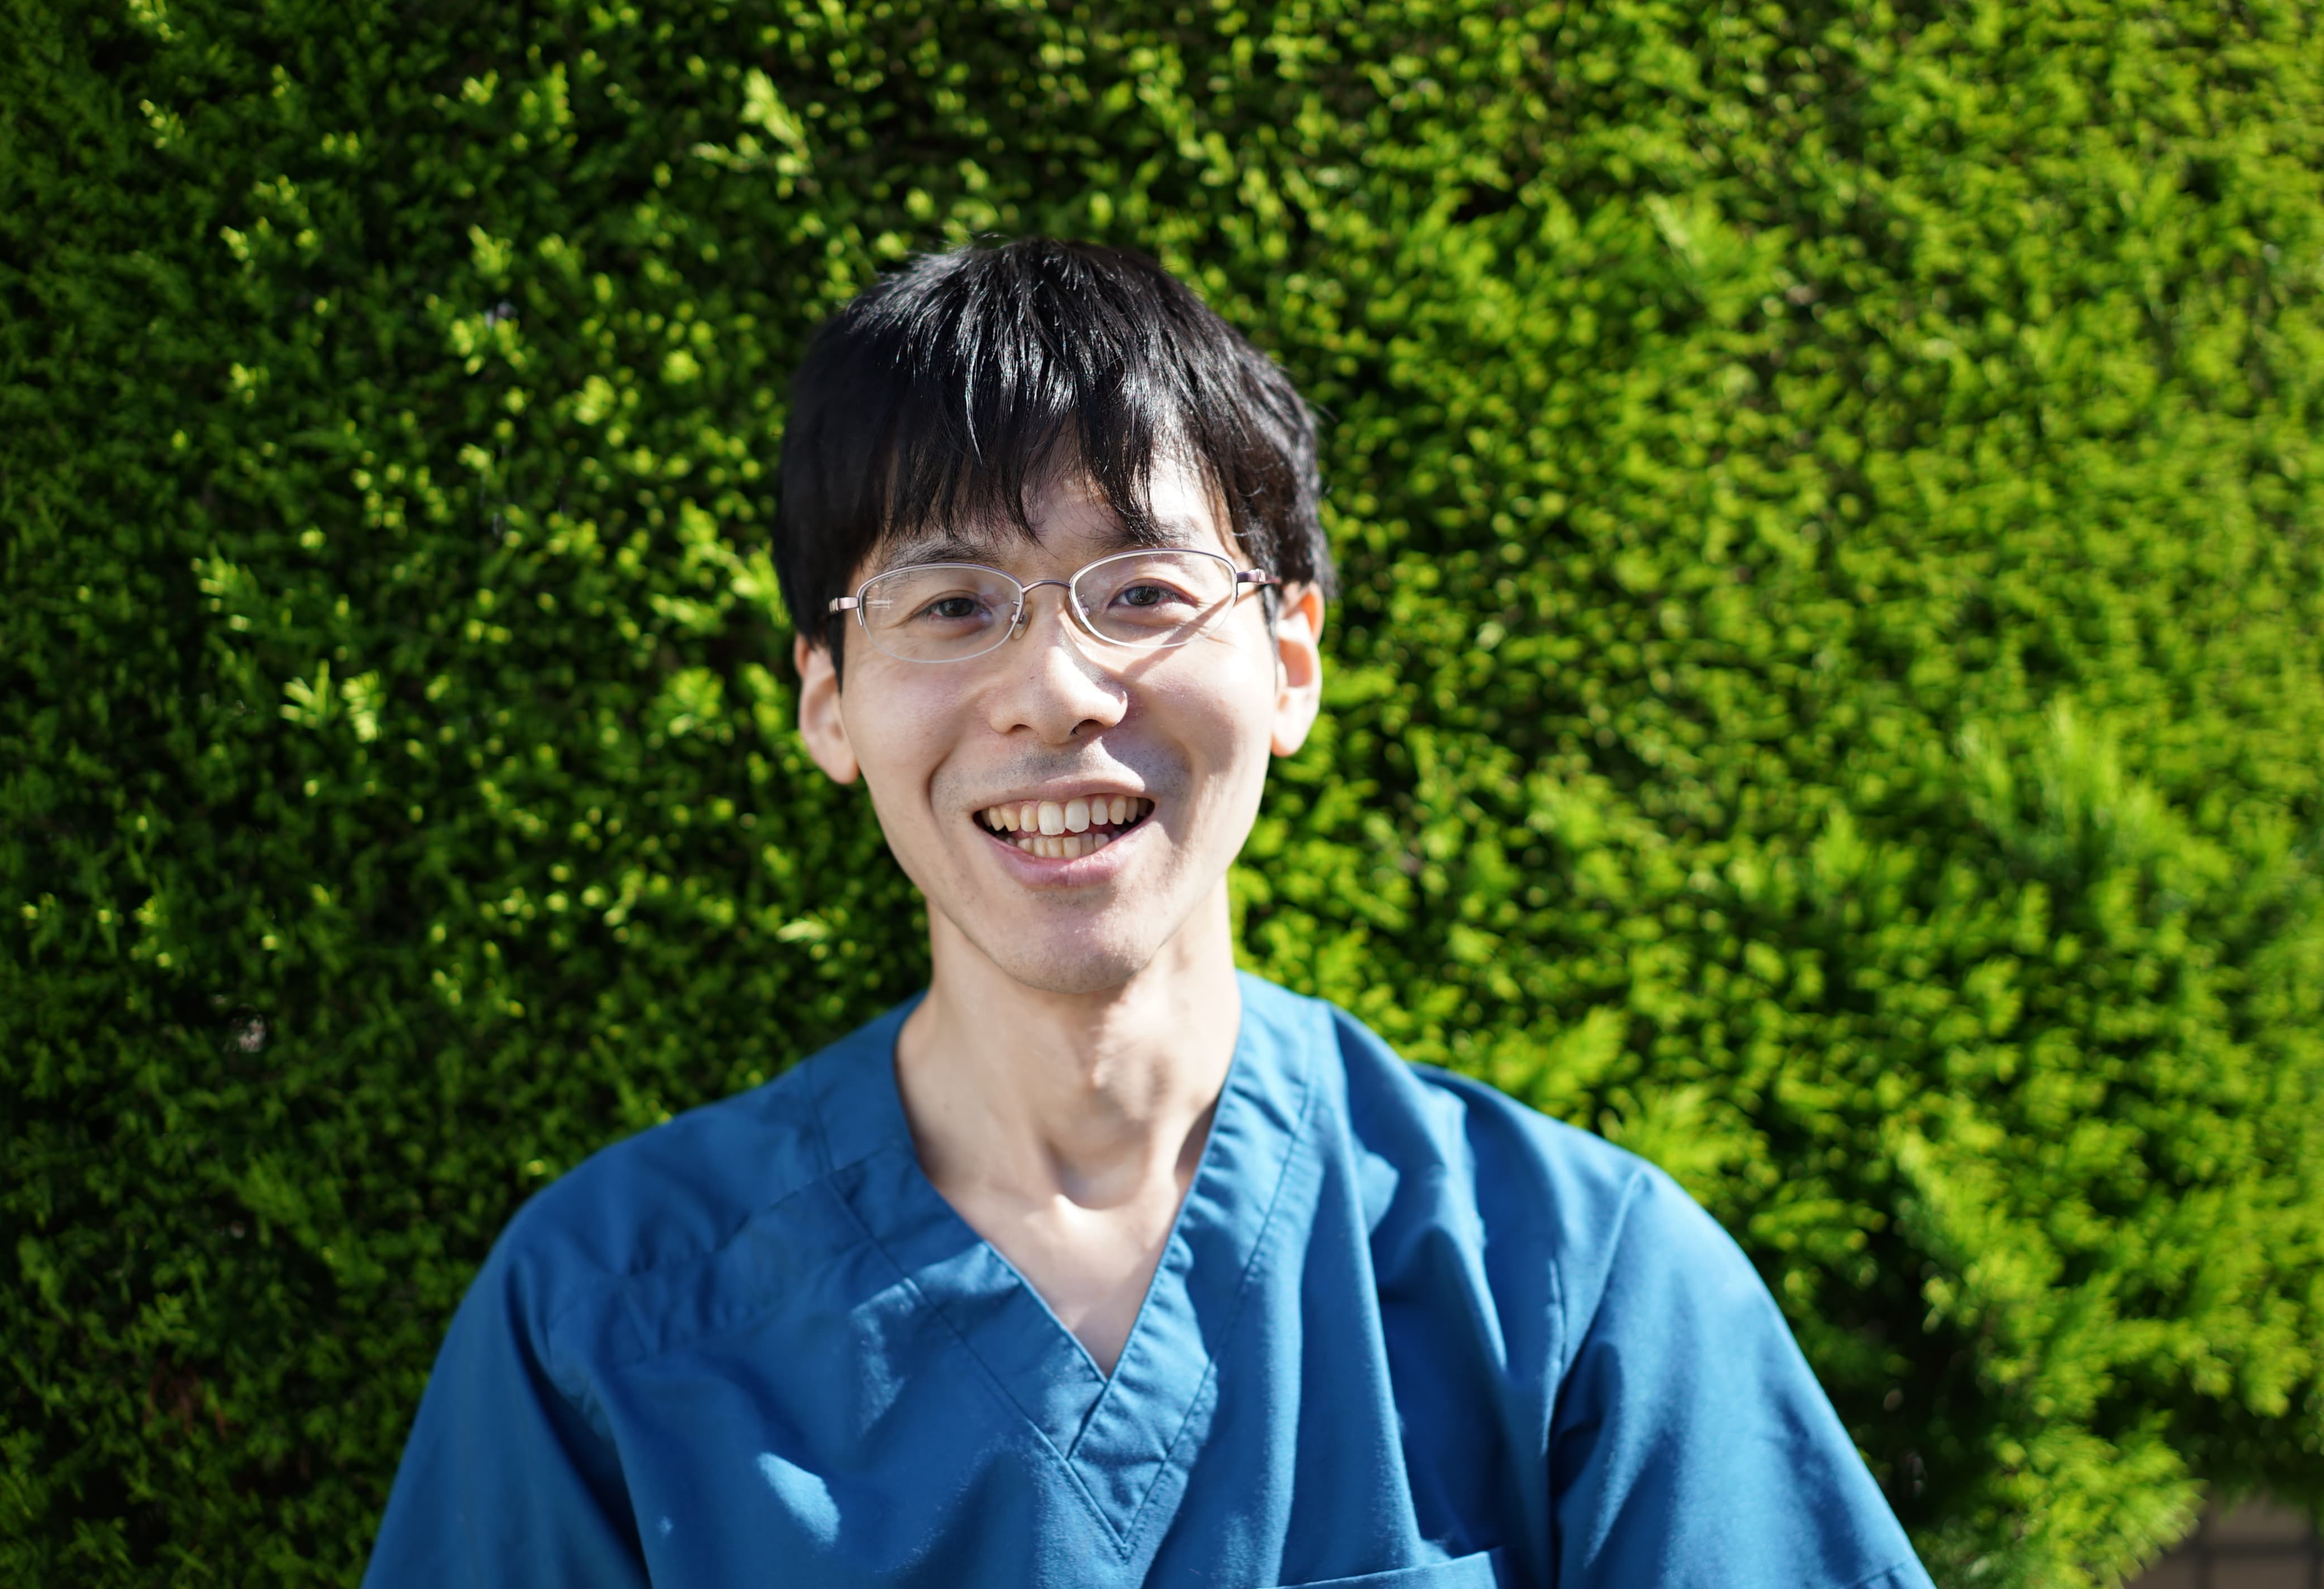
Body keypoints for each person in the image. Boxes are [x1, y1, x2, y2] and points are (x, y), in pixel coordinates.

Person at [364, 239, 1935, 1588]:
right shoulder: (607, 1319)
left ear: (1291, 663)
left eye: (1144, 592)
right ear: (828, 702)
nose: (1055, 690)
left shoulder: (1572, 1284)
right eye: (950, 603)